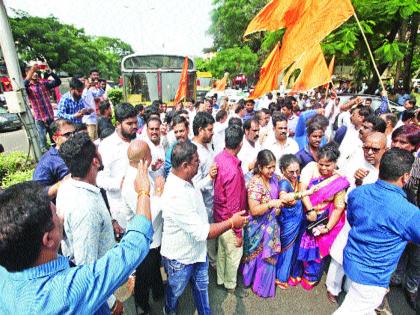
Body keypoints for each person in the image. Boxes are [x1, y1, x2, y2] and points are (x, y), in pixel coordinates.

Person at [0, 159, 153, 315]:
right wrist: (143, 192)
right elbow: (134, 246)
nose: (61, 216)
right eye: (55, 213)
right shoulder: (67, 293)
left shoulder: (5, 273)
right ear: (48, 240)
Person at [160, 141, 249, 315]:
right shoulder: (176, 195)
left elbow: (195, 192)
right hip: (181, 259)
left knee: (202, 289)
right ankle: (169, 310)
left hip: (198, 253)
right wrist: (232, 223)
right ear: (185, 166)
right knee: (175, 291)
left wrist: (208, 178)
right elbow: (203, 232)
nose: (199, 164)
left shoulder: (184, 179)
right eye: (196, 162)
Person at [334, 149, 420, 314]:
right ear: (406, 177)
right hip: (373, 276)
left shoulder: (358, 193)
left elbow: (352, 220)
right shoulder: (409, 212)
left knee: (359, 304)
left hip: (352, 259)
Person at [326, 132, 387, 303]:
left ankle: (350, 289)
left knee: (361, 259)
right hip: (353, 219)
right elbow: (347, 194)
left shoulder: (388, 168)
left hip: (375, 224)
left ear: (385, 149)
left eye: (374, 149)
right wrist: (358, 182)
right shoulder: (355, 161)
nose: (369, 152)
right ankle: (333, 287)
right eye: (366, 147)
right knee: (340, 256)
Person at [297, 142, 350, 290]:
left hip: (323, 218)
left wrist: (327, 228)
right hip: (306, 213)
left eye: (328, 165)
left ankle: (311, 276)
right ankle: (298, 271)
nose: (324, 168)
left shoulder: (339, 181)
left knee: (317, 250)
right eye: (321, 164)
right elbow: (302, 190)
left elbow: (339, 207)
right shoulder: (311, 168)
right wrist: (309, 210)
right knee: (301, 244)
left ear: (335, 163)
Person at [121, 140, 165, 314]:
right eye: (149, 154)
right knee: (143, 276)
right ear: (144, 159)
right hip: (146, 240)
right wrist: (159, 192)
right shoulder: (132, 182)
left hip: (155, 238)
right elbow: (147, 216)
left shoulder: (140, 172)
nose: (152, 157)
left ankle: (158, 291)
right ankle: (141, 305)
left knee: (154, 269)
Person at [242, 149, 285, 298]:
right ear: (260, 167)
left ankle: (262, 286)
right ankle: (250, 281)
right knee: (254, 256)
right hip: (257, 227)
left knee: (267, 257)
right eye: (268, 167)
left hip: (271, 226)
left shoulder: (275, 178)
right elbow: (253, 210)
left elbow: (283, 184)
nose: (272, 170)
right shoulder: (255, 183)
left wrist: (282, 197)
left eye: (274, 166)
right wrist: (271, 204)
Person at [213, 125, 247, 294]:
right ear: (240, 144)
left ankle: (221, 279)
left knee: (222, 253)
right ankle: (231, 286)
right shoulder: (233, 170)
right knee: (233, 255)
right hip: (230, 221)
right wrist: (239, 233)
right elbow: (234, 206)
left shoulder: (219, 157)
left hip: (220, 217)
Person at [275, 154, 317, 289]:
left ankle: (286, 275)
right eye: (291, 172)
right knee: (287, 251)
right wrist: (304, 194)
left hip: (297, 222)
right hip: (288, 224)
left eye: (297, 171)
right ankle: (280, 278)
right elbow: (284, 197)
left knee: (293, 251)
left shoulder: (295, 180)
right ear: (282, 170)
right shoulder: (284, 183)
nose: (295, 174)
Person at [97, 103, 138, 229]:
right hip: (121, 210)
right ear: (118, 124)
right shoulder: (107, 146)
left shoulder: (138, 141)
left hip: (140, 204)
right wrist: (120, 183)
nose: (135, 126)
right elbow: (99, 179)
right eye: (129, 124)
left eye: (136, 122)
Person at [192, 112, 218, 268]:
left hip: (212, 200)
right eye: (209, 129)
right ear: (200, 130)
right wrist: (210, 177)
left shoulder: (209, 144)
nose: (212, 132)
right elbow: (193, 186)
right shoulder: (193, 151)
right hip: (201, 204)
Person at [32, 119, 75, 199]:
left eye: (74, 133)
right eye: (67, 134)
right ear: (55, 139)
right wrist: (64, 182)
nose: (73, 137)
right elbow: (38, 194)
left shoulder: (76, 151)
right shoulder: (47, 163)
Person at [24, 64, 61, 151]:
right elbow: (24, 84)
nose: (35, 74)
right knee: (43, 143)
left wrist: (50, 72)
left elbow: (58, 82)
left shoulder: (44, 84)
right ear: (27, 74)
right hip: (40, 119)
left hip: (50, 117)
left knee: (56, 141)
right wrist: (31, 71)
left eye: (36, 72)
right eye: (33, 72)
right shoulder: (28, 88)